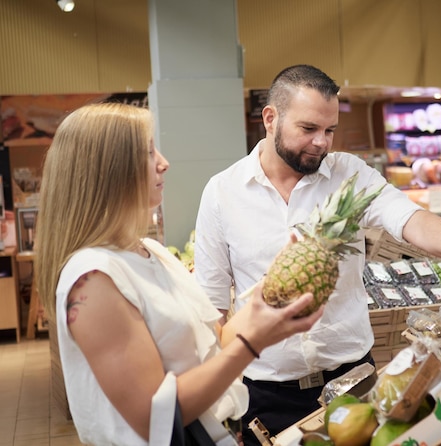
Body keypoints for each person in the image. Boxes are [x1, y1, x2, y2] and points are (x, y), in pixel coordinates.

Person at [193, 64, 441, 444]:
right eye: (308, 129)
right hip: (265, 394)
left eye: (330, 130)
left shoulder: (348, 174)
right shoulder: (222, 193)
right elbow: (212, 308)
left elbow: (409, 218)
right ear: (271, 118)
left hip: (355, 383)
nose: (322, 142)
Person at [34, 102, 323, 446]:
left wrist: (267, 298)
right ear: (106, 171)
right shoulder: (94, 279)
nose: (163, 162)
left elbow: (213, 344)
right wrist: (252, 343)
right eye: (147, 151)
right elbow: (153, 417)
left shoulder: (149, 251)